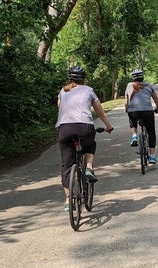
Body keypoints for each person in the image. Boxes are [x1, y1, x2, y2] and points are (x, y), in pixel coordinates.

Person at [56, 66, 114, 211]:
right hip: (84, 127)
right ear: (83, 79)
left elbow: (60, 108)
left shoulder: (63, 91)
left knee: (66, 164)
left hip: (65, 128)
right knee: (90, 145)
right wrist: (108, 126)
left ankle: (68, 199)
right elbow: (100, 112)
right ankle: (88, 167)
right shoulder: (88, 90)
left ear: (69, 79)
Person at [125, 68, 158, 163]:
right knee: (151, 133)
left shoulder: (129, 85)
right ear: (142, 76)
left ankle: (134, 136)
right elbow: (155, 98)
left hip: (133, 112)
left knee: (132, 121)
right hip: (147, 111)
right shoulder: (148, 85)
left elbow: (126, 100)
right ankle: (152, 156)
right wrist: (157, 108)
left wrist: (127, 109)